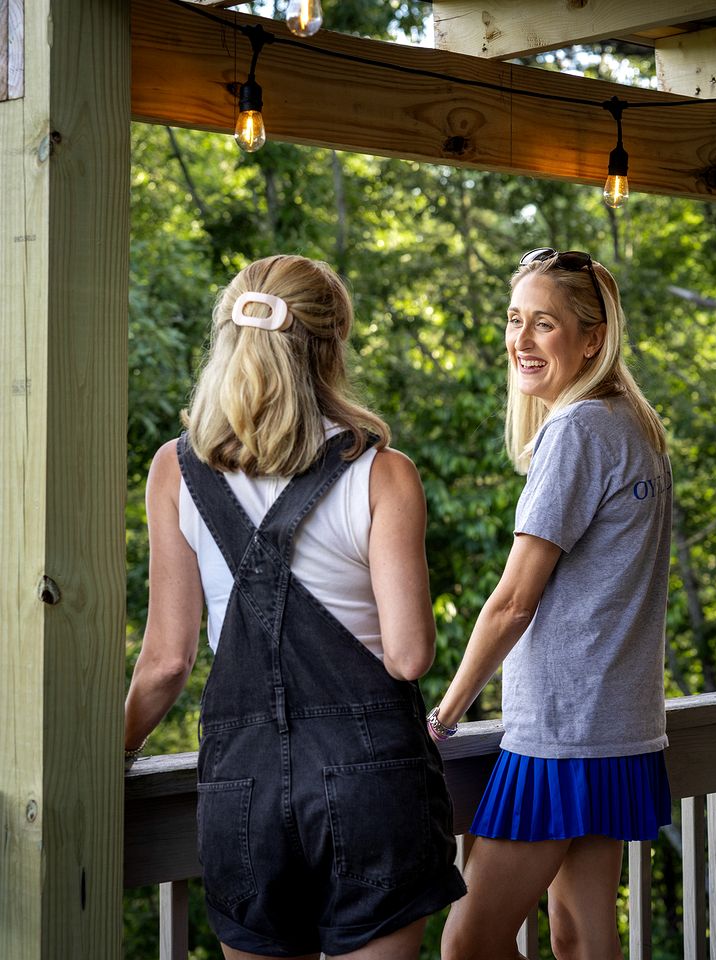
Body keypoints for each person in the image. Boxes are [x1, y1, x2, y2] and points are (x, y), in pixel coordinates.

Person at [123, 254, 465, 959]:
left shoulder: (174, 469)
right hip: (373, 782)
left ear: (227, 339)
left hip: (240, 790)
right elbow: (407, 656)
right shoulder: (381, 472)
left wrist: (110, 754)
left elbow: (165, 662)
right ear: (333, 345)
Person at [434, 248, 673, 960]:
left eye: (544, 324)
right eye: (515, 321)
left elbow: (512, 601)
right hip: (622, 726)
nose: (521, 340)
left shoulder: (574, 432)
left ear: (592, 337)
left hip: (564, 733)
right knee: (581, 938)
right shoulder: (633, 423)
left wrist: (443, 717)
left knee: (467, 946)